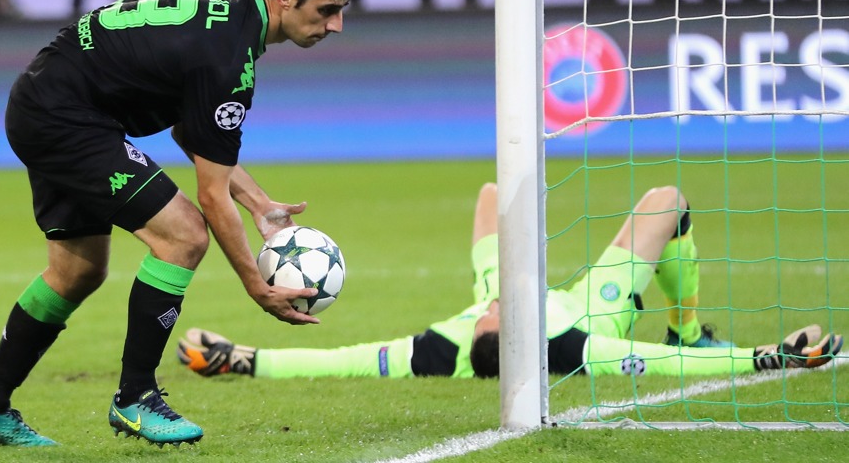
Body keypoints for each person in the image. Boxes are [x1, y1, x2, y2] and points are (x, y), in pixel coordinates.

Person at [0, 0, 365, 447]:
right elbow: (212, 196)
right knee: (185, 234)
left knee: (77, 271)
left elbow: (189, 129)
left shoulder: (232, 9)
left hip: (48, 99)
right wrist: (256, 287)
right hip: (66, 116)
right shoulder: (227, 58)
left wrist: (260, 206)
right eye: (327, 10)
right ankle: (136, 399)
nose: (335, 24)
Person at [178, 183, 843, 381]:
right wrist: (770, 357)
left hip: (527, 284)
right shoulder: (577, 350)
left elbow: (338, 362)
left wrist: (241, 358)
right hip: (587, 307)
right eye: (496, 313)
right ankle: (691, 324)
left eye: (486, 314)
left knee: (494, 193)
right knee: (667, 201)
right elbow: (667, 368)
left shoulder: (449, 346)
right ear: (518, 336)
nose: (486, 311)